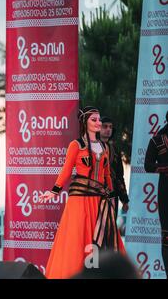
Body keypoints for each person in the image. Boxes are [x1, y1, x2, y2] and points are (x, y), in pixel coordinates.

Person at [40, 106, 126, 279]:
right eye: (94, 120)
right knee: (78, 237)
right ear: (84, 122)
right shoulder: (76, 145)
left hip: (99, 202)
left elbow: (107, 174)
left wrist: (110, 196)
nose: (98, 123)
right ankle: (74, 273)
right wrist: (54, 191)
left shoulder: (105, 147)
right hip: (79, 200)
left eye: (99, 119)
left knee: (100, 238)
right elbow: (66, 171)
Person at [144, 110, 168, 278]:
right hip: (166, 191)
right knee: (167, 236)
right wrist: (164, 168)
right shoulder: (157, 140)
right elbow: (147, 165)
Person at [100, 116, 129, 218]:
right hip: (95, 194)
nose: (108, 129)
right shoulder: (89, 148)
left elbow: (119, 176)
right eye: (105, 126)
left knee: (111, 226)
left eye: (110, 127)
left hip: (112, 193)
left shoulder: (115, 150)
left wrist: (124, 199)